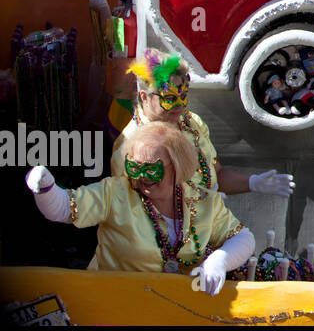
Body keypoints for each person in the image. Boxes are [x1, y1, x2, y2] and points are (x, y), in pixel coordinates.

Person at [26, 121, 255, 293]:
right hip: (113, 302)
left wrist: (219, 260)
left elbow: (243, 237)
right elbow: (64, 208)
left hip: (178, 306)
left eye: (152, 169)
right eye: (134, 168)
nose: (142, 177)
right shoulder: (115, 192)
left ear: (177, 166)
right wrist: (45, 187)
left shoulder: (202, 199)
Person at [110, 48, 295, 199]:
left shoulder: (192, 122)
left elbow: (216, 175)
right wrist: (198, 203)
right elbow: (135, 211)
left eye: (183, 96)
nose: (179, 106)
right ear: (145, 97)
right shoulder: (130, 146)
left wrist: (252, 183)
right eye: (170, 98)